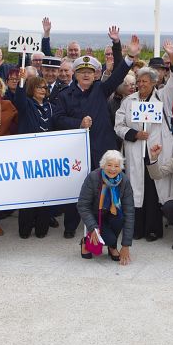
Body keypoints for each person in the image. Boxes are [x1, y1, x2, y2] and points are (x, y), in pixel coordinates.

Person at [55, 28, 135, 238]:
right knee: (78, 188)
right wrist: (77, 123)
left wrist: (120, 47)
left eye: (90, 72)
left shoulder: (101, 89)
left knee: (106, 189)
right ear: (75, 74)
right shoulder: (65, 95)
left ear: (95, 74)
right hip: (77, 152)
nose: (86, 75)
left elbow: (119, 71)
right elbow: (57, 119)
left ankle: (105, 225)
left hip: (102, 148)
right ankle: (71, 227)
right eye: (82, 72)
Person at [115, 50, 173, 242]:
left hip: (156, 153)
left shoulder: (163, 97)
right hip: (136, 151)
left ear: (153, 82)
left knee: (153, 192)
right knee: (136, 191)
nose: (141, 84)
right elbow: (118, 125)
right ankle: (137, 229)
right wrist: (134, 134)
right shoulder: (129, 101)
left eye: (145, 81)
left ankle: (153, 230)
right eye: (139, 81)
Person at [7, 75, 60, 238]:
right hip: (28, 155)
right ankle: (25, 227)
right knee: (28, 193)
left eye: (45, 88)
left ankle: (41, 226)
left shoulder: (51, 107)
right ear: (32, 89)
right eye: (39, 87)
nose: (43, 90)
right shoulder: (27, 104)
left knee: (44, 192)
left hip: (46, 156)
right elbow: (19, 100)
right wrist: (21, 83)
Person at [75, 150, 135, 265]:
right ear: (103, 165)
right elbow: (83, 205)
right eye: (109, 165)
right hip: (96, 216)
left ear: (121, 167)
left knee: (121, 217)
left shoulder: (124, 181)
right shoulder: (93, 178)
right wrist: (92, 227)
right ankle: (86, 241)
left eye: (116, 166)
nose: (113, 169)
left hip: (112, 214)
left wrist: (126, 245)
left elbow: (130, 212)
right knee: (108, 238)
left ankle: (112, 247)